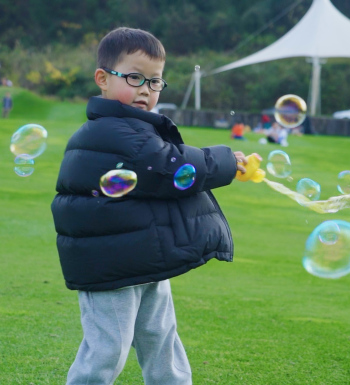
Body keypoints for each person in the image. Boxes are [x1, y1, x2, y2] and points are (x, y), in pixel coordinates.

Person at [51, 27, 254, 385]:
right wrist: (223, 161)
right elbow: (169, 168)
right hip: (110, 266)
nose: (145, 89)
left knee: (161, 339)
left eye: (155, 81)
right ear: (102, 79)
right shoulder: (111, 130)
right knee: (107, 349)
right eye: (134, 77)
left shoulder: (137, 129)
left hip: (145, 258)